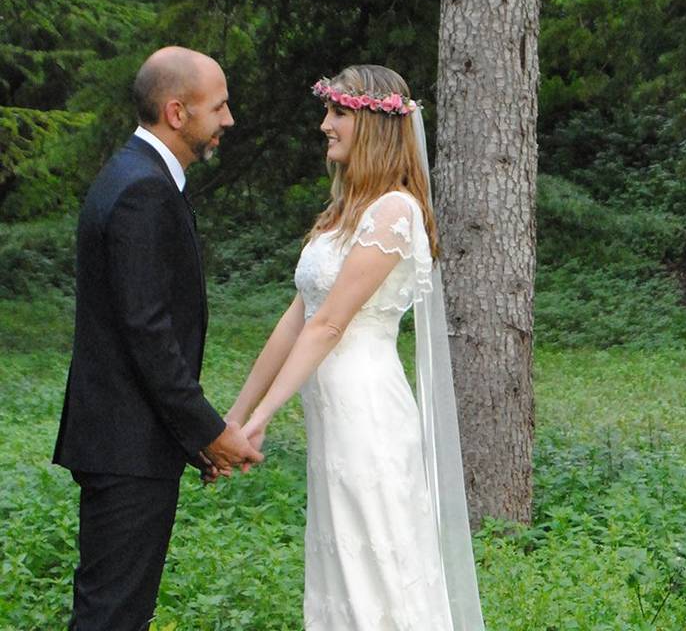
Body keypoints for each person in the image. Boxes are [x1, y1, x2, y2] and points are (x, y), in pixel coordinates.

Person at [226, 65, 485, 630]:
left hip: (367, 411)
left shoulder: (394, 211)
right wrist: (240, 417)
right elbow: (296, 321)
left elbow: (330, 326)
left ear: (373, 124)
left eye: (337, 112)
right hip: (331, 413)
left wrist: (265, 414)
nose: (325, 125)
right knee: (341, 558)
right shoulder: (339, 216)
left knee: (378, 557)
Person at [53, 46, 263, 630]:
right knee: (113, 617)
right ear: (177, 111)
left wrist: (194, 435)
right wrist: (209, 432)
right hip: (127, 444)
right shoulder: (143, 189)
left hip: (128, 437)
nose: (229, 120)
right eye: (218, 106)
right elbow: (147, 334)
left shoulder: (136, 175)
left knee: (118, 611)